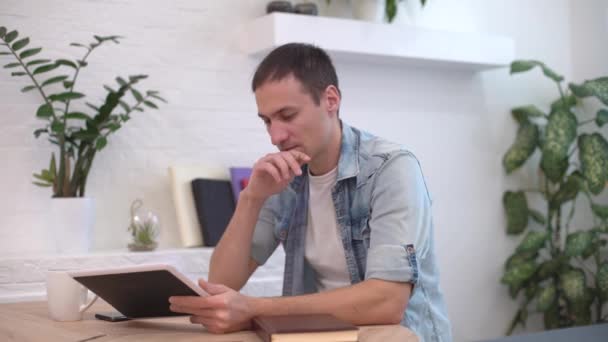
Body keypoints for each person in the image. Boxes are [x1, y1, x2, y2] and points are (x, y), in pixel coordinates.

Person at [169, 43, 452, 342]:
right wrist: (252, 198)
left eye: (287, 115)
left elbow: (387, 302)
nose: (276, 136)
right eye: (267, 121)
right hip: (318, 334)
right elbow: (223, 282)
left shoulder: (390, 169)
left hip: (395, 335)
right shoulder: (287, 177)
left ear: (330, 100)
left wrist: (253, 308)